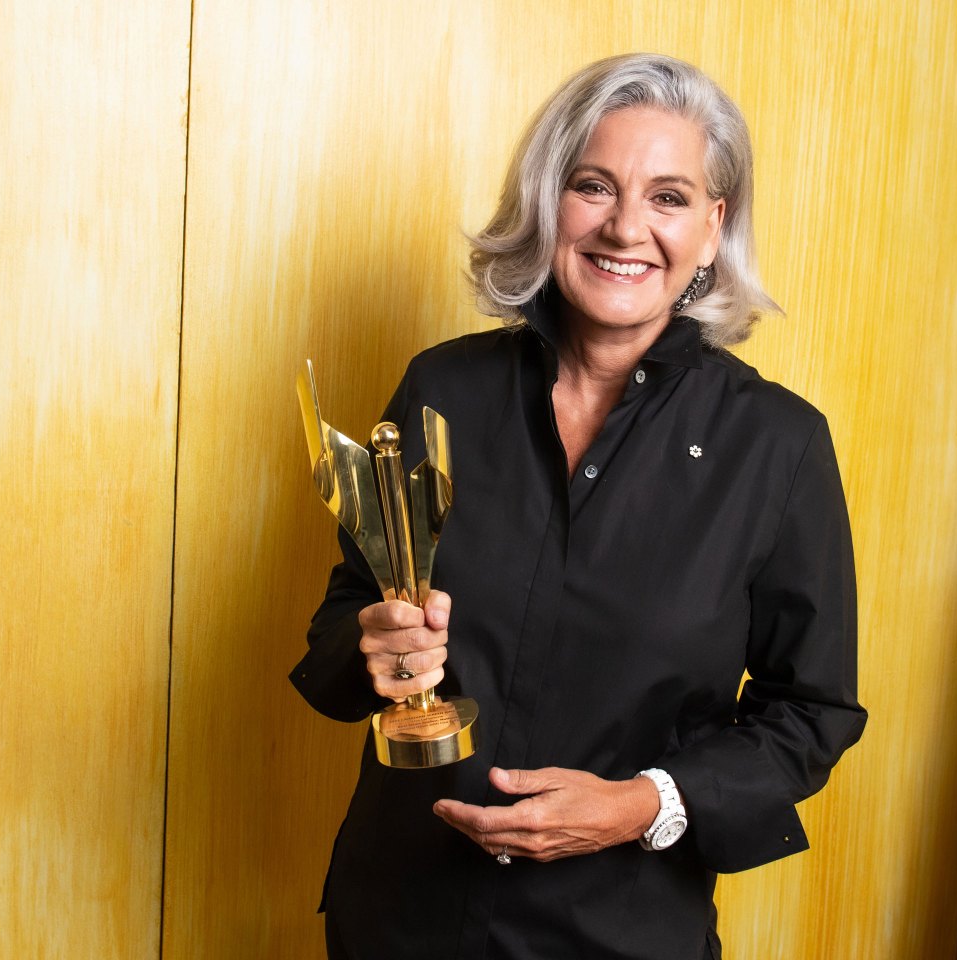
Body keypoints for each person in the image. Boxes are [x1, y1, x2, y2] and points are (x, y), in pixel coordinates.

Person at [291, 52, 866, 960]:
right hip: (400, 923)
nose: (626, 226)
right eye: (594, 186)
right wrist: (375, 647)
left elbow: (813, 714)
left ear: (714, 228)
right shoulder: (441, 390)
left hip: (621, 934)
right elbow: (339, 629)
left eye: (669, 198)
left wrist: (642, 803)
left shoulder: (779, 447)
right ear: (548, 201)